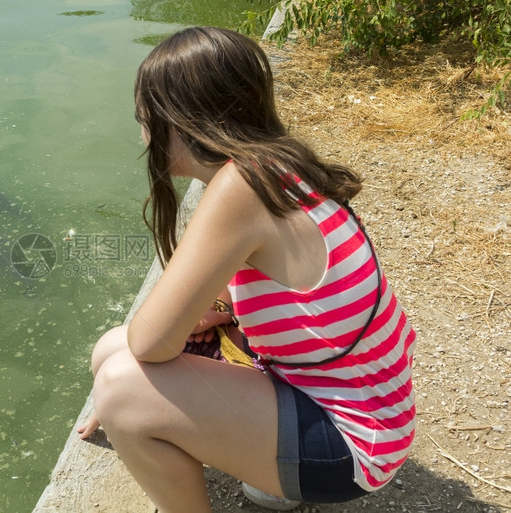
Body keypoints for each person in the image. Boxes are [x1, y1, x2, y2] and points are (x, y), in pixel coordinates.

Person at [76, 26, 416, 512]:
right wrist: (217, 308)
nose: (141, 132)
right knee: (110, 351)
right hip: (369, 401)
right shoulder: (277, 165)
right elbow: (294, 290)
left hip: (352, 447)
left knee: (121, 387)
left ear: (182, 121)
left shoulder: (240, 188)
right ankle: (270, 474)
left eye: (144, 117)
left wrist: (127, 408)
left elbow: (151, 344)